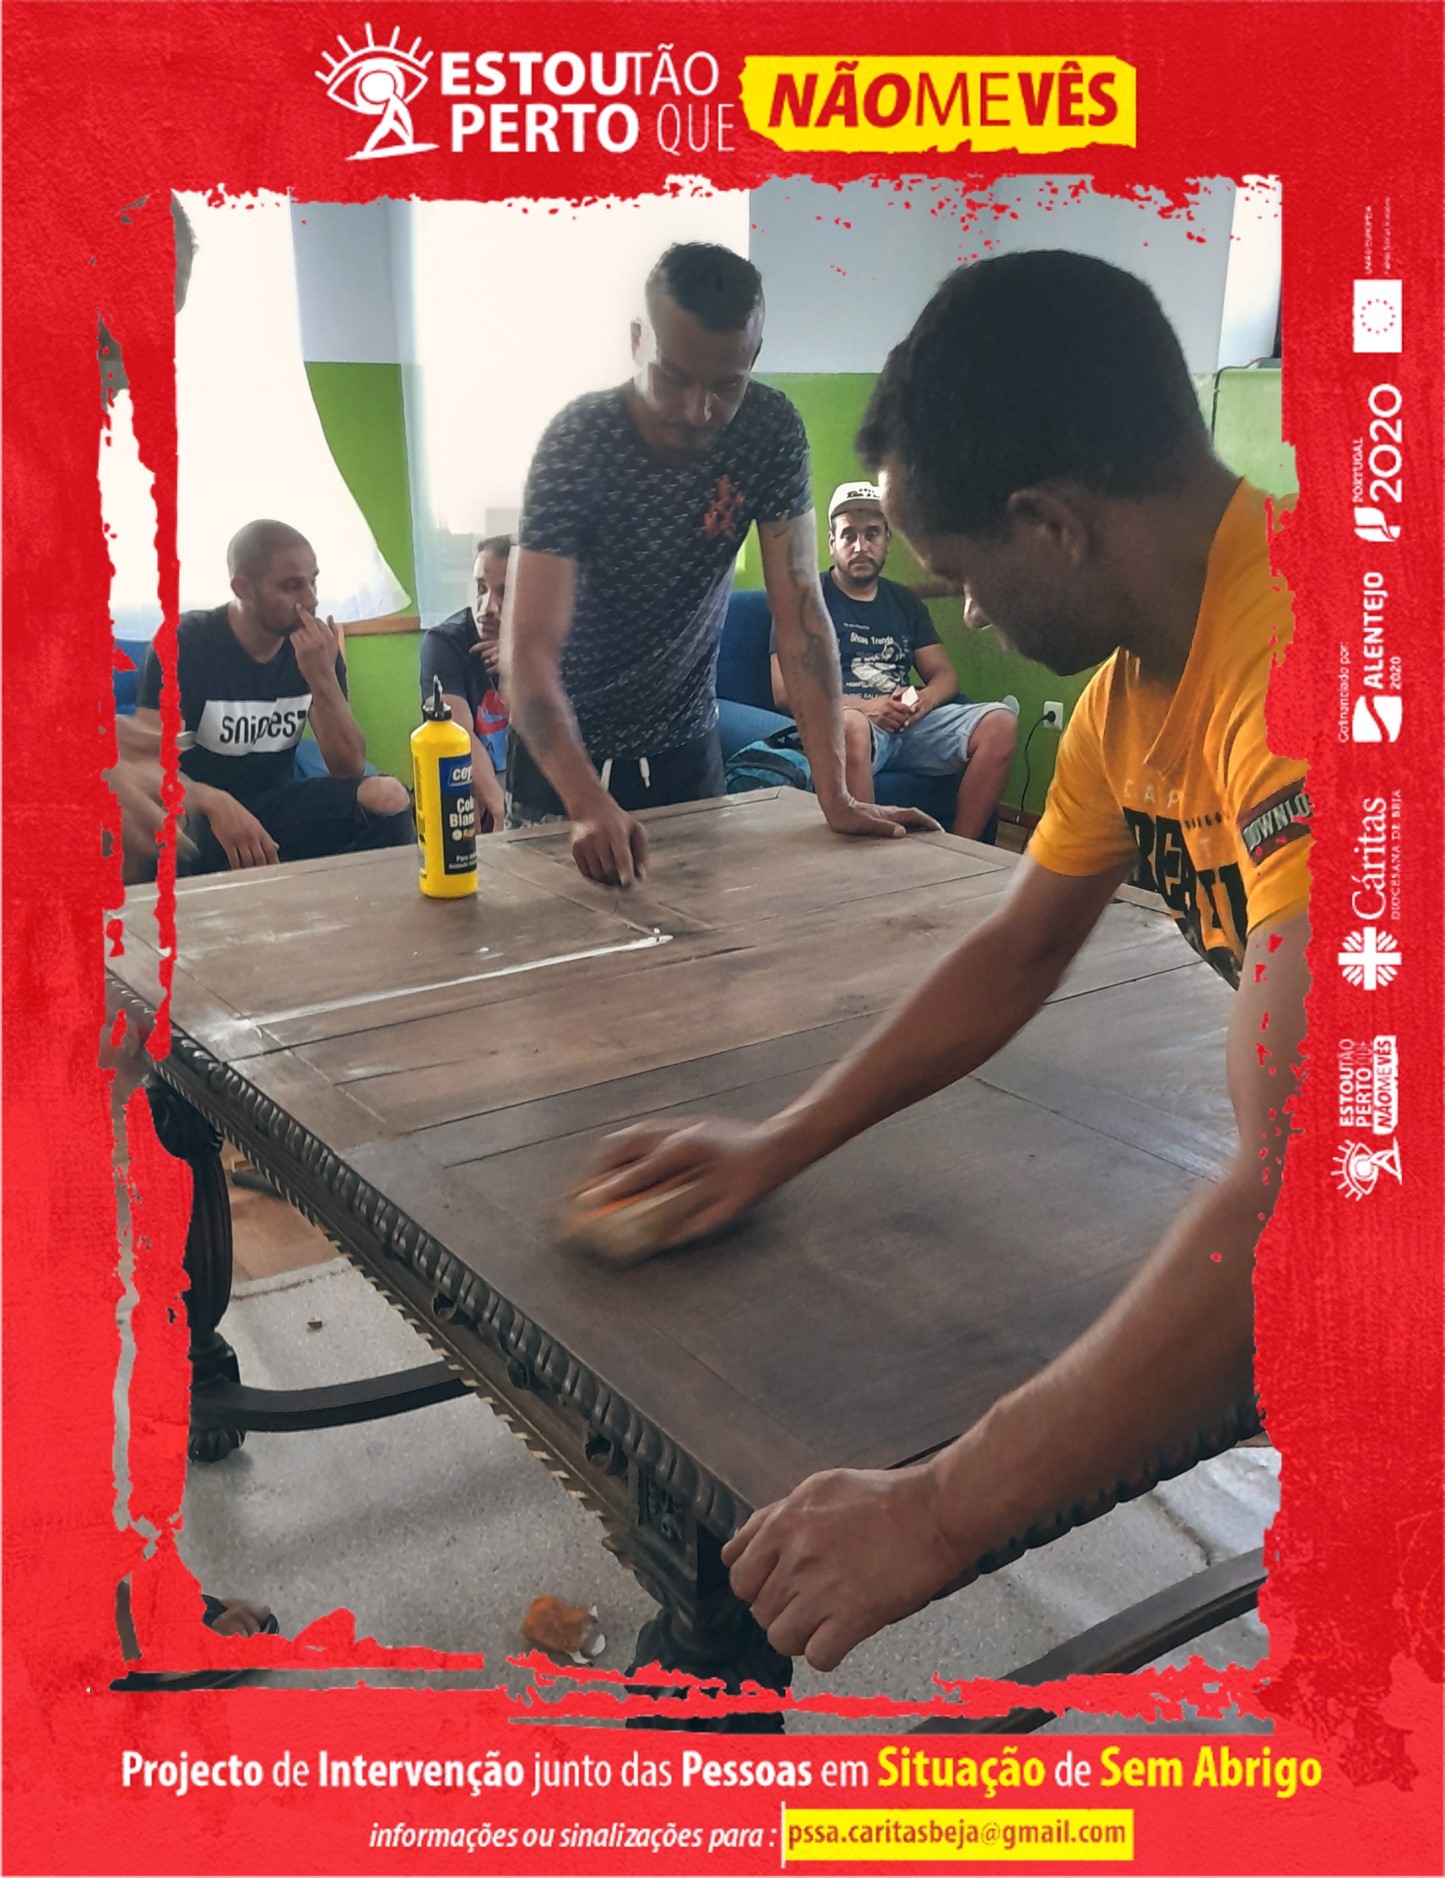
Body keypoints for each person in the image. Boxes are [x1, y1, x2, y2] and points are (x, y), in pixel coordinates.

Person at [580, 250, 1310, 1671]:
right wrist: (774, 1144)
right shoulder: (1137, 687)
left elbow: (1300, 1190)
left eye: (963, 576)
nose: (964, 615)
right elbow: (1015, 949)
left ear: (1050, 524)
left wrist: (936, 1508)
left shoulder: (1313, 666)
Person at [502, 242, 934, 886]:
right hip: (562, 757)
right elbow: (528, 650)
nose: (697, 410)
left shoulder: (770, 431)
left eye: (725, 385)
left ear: (753, 358)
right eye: (673, 377)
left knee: (702, 936)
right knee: (558, 943)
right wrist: (587, 801)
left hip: (685, 743)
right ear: (637, 341)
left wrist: (837, 795)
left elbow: (802, 617)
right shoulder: (577, 442)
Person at [135, 520, 413, 872]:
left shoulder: (315, 649)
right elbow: (147, 766)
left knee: (388, 796)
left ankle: (378, 905)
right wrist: (214, 802)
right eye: (291, 586)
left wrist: (322, 678)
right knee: (162, 829)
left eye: (313, 581)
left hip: (277, 808)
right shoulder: (186, 643)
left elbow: (348, 768)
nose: (310, 600)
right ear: (243, 588)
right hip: (198, 814)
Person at [771, 480, 1018, 840]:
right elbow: (784, 691)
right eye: (849, 535)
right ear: (832, 543)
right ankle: (869, 862)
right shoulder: (805, 601)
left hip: (908, 725)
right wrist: (869, 708)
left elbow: (944, 675)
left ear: (887, 539)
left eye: (872, 533)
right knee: (852, 726)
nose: (860, 546)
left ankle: (960, 850)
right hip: (850, 726)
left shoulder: (904, 602)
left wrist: (923, 701)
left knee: (1001, 723)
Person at [419, 534, 512, 832]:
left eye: (505, 593)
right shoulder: (444, 642)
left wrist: (519, 670)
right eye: (481, 589)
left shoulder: (548, 643)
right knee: (461, 790)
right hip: (476, 781)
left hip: (533, 780)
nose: (488, 607)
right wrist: (501, 810)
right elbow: (456, 734)